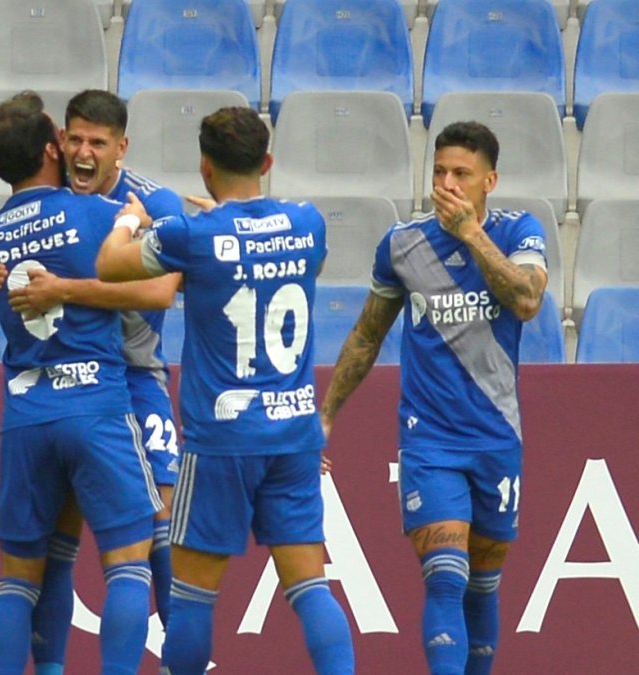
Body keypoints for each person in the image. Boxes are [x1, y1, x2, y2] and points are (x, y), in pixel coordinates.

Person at [96, 106, 355, 674]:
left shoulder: (193, 235)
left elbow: (109, 265)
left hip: (221, 439)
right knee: (311, 587)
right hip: (293, 434)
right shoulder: (308, 223)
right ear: (267, 162)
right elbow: (280, 258)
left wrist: (129, 221)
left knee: (192, 597)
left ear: (205, 167)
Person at [319, 121, 548, 675]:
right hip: (430, 440)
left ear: (490, 180)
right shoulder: (403, 244)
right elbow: (367, 335)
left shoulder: (519, 232)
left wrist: (470, 235)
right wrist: (324, 417)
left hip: (497, 435)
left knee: (483, 585)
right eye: (439, 171)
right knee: (445, 576)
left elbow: (527, 301)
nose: (446, 184)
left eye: (461, 174)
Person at [0, 91, 161, 675]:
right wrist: (131, 220)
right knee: (128, 564)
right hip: (95, 403)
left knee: (18, 579)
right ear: (53, 148)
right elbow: (160, 290)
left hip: (26, 413)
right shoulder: (96, 214)